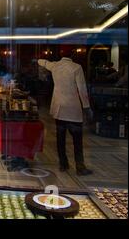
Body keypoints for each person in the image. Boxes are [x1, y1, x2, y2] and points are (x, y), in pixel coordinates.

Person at [38, 46, 93, 176]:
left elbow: (43, 62)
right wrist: (87, 107)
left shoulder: (55, 66)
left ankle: (63, 164)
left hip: (59, 108)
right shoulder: (76, 68)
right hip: (73, 109)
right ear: (73, 55)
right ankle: (80, 167)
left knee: (60, 138)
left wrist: (37, 60)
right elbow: (82, 89)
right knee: (77, 140)